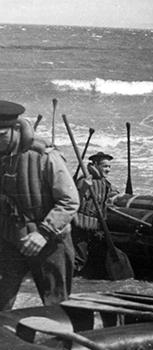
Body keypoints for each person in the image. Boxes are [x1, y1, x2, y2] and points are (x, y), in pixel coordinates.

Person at [0, 100, 79, 310]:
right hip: (10, 240)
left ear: (17, 129)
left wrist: (43, 233)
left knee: (56, 304)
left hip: (50, 242)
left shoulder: (46, 158)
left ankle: (61, 342)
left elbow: (70, 201)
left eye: (0, 135)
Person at [71, 151, 118, 276]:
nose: (108, 169)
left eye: (109, 167)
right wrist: (83, 189)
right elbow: (74, 202)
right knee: (79, 257)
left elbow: (107, 198)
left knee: (95, 255)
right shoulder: (85, 181)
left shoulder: (105, 183)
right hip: (80, 226)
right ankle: (69, 280)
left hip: (96, 226)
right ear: (95, 165)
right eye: (104, 166)